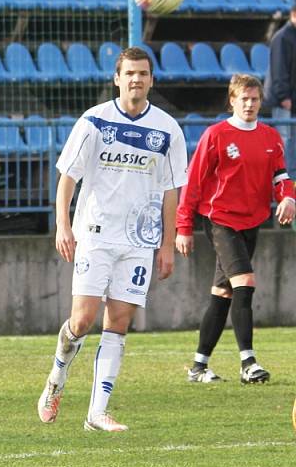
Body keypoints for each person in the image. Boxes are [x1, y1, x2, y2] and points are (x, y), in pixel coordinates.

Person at [36, 46, 188, 432]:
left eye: (143, 73)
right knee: (83, 319)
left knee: (118, 321)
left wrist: (166, 244)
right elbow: (68, 177)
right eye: (129, 73)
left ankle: (97, 413)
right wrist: (62, 224)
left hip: (139, 239)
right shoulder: (94, 121)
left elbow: (172, 190)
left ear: (152, 80)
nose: (136, 79)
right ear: (116, 78)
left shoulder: (167, 129)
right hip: (95, 234)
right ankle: (56, 378)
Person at [176, 73, 295, 384]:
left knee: (223, 292)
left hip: (252, 220)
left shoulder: (270, 137)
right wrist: (183, 226)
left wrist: (288, 198)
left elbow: (281, 177)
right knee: (244, 283)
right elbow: (194, 182)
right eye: (244, 99)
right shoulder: (215, 135)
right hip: (220, 219)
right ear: (232, 100)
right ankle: (248, 363)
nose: (250, 104)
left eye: (255, 99)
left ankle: (198, 367)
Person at [263, 1, 296, 175]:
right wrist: (284, 97)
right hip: (283, 103)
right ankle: (284, 188)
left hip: (292, 101)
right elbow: (279, 68)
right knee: (285, 143)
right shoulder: (282, 37)